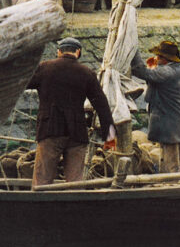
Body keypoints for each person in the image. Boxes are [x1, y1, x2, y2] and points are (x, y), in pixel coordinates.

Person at [28, 37, 116, 189]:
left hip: (50, 130)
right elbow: (102, 105)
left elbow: (21, 84)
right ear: (78, 52)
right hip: (77, 133)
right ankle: (75, 209)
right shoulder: (87, 73)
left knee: (42, 181)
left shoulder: (44, 68)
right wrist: (110, 136)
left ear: (59, 52)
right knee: (75, 183)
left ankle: (40, 209)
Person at [131, 40, 180, 173]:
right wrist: (154, 68)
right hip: (175, 122)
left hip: (172, 124)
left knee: (171, 161)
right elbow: (154, 79)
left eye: (159, 56)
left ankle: (172, 185)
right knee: (171, 159)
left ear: (166, 59)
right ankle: (172, 182)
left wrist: (133, 50)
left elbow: (141, 72)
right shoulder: (175, 69)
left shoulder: (169, 72)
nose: (156, 58)